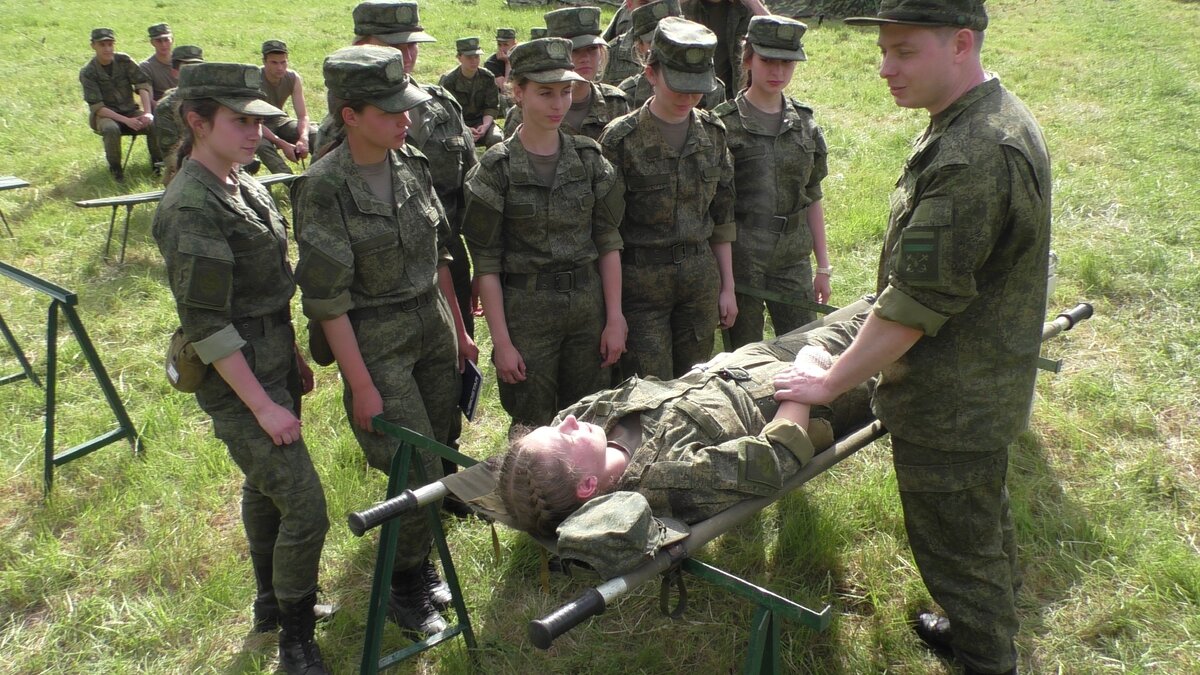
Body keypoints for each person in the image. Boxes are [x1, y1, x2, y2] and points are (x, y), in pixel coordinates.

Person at [772, 3, 1052, 674]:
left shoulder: (973, 154)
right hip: (978, 382)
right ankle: (983, 620)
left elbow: (911, 307)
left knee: (955, 542)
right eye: (884, 50)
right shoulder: (983, 119)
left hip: (952, 400)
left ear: (960, 44)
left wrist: (830, 380)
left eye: (904, 51)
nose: (885, 68)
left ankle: (986, 654)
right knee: (977, 519)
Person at [151, 62, 330, 675]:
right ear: (197, 122)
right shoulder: (190, 206)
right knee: (305, 506)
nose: (255, 133)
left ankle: (270, 607)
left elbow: (267, 288)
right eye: (239, 121)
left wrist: (293, 354)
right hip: (239, 380)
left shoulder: (241, 182)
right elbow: (207, 325)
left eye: (259, 121)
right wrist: (263, 406)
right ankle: (295, 643)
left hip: (271, 358)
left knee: (265, 487)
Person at [292, 45, 477, 638]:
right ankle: (402, 584)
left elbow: (440, 255)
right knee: (412, 464)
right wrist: (362, 385)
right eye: (390, 111)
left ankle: (419, 561)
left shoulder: (411, 163)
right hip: (376, 341)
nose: (406, 119)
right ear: (350, 115)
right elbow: (327, 300)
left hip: (433, 326)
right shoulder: (324, 187)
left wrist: (460, 331)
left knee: (439, 444)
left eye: (407, 107)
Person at [491, 327, 874, 538]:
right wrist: (807, 378)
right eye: (565, 435)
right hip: (810, 388)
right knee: (891, 329)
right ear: (588, 485)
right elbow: (776, 456)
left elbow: (564, 425)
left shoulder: (595, 422)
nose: (569, 422)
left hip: (749, 361)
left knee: (865, 312)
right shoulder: (671, 475)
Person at [462, 38, 626, 430]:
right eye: (545, 93)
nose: (558, 104)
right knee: (531, 427)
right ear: (517, 93)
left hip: (587, 309)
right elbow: (486, 263)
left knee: (587, 422)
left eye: (565, 92)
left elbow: (608, 241)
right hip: (527, 315)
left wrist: (615, 318)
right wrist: (502, 342)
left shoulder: (589, 159)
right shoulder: (495, 171)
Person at [599, 17, 737, 381]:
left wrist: (728, 287)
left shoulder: (713, 134)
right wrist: (613, 313)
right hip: (641, 288)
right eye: (679, 87)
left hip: (699, 282)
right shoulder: (621, 140)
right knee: (649, 389)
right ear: (651, 74)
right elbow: (606, 232)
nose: (688, 99)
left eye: (697, 90)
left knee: (694, 384)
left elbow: (722, 218)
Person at [714, 15, 830, 347]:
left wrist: (823, 267)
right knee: (744, 356)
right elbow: (717, 210)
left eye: (787, 63)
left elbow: (813, 194)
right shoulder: (723, 125)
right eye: (768, 61)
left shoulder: (804, 123)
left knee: (803, 350)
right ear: (748, 59)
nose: (778, 72)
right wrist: (725, 283)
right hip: (742, 258)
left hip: (793, 258)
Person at [503, 6, 631, 142]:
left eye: (592, 49)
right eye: (574, 50)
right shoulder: (526, 112)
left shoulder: (615, 103)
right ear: (556, 54)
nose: (585, 58)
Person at [79, 28, 160, 181]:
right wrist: (126, 121)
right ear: (93, 46)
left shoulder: (124, 61)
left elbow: (142, 85)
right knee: (111, 129)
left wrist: (148, 112)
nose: (107, 49)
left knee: (154, 123)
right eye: (102, 45)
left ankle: (158, 166)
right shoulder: (88, 72)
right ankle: (116, 170)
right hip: (105, 116)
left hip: (130, 111)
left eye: (110, 44)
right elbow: (98, 108)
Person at [616, 0, 727, 109]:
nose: (664, 49)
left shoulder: (713, 90)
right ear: (639, 46)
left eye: (672, 42)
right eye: (653, 42)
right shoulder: (625, 95)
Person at [681, 0, 771, 99]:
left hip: (734, 99)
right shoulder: (686, 8)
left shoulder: (745, 8)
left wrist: (753, 3)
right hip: (694, 97)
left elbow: (775, 37)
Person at [256, 40, 318, 174]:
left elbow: (303, 116)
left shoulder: (293, 78)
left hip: (279, 119)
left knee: (316, 135)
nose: (280, 67)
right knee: (260, 143)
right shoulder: (254, 80)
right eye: (274, 62)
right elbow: (254, 122)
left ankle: (318, 175)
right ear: (264, 62)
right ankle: (290, 180)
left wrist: (304, 138)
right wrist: (282, 144)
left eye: (283, 62)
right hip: (257, 124)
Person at [439, 37, 503, 147]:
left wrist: (485, 126)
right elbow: (447, 112)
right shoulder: (449, 80)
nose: (474, 61)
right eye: (469, 57)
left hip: (482, 122)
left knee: (496, 138)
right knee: (455, 143)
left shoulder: (487, 77)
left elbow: (491, 106)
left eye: (476, 57)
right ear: (459, 57)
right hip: (457, 124)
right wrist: (465, 128)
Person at [152, 45, 205, 176]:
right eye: (187, 68)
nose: (193, 72)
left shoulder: (214, 101)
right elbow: (170, 153)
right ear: (175, 72)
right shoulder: (166, 107)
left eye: (197, 67)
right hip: (184, 165)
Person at [599, 0, 660, 86]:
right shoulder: (610, 56)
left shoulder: (679, 50)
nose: (650, 9)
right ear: (629, 4)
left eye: (658, 4)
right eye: (644, 4)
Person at [139, 23, 176, 108]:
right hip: (161, 109)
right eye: (159, 41)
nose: (163, 45)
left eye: (166, 40)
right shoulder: (146, 67)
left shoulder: (183, 62)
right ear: (152, 43)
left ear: (172, 40)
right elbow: (149, 100)